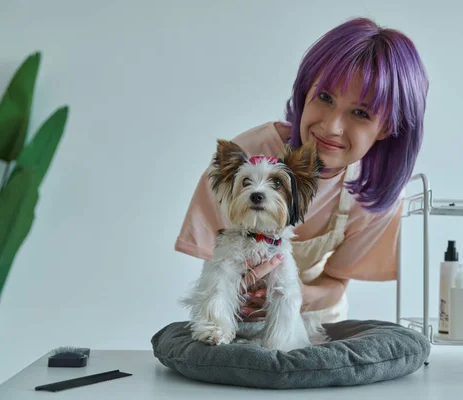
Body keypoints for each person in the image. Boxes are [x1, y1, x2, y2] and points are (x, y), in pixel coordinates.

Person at [175, 17, 429, 323]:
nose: (331, 127)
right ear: (306, 90)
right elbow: (213, 266)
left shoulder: (371, 191)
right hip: (236, 319)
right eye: (325, 97)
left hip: (316, 321)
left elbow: (335, 282)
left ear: (387, 127)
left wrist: (291, 297)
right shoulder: (246, 157)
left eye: (360, 113)